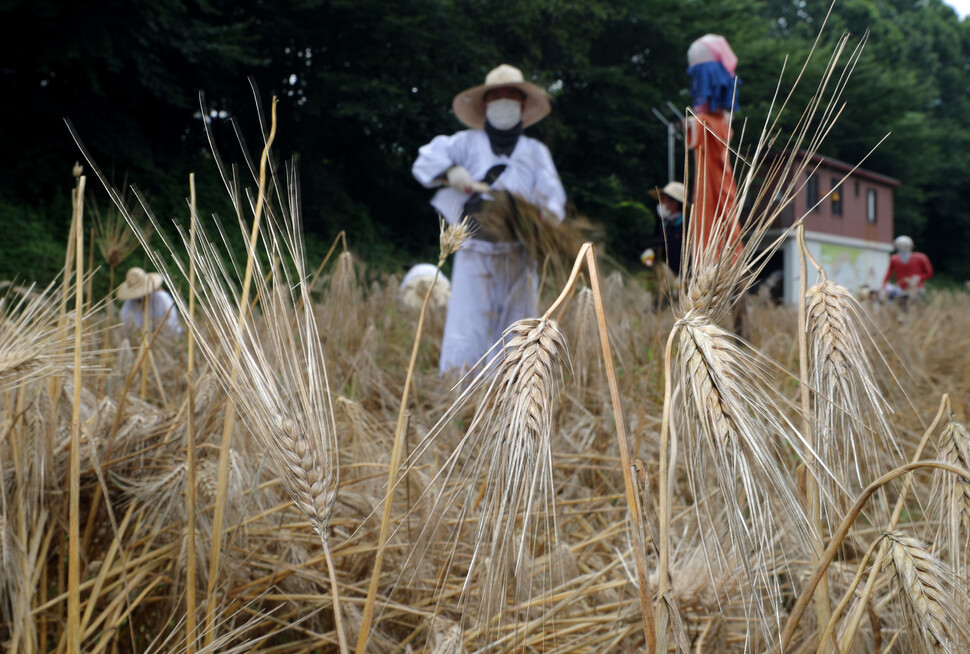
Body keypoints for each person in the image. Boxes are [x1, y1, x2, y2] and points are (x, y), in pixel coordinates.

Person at [412, 64, 566, 375]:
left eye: (511, 95)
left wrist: (537, 217)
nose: (504, 101)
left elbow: (555, 203)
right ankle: (459, 391)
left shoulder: (535, 152)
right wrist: (450, 172)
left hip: (519, 252)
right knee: (467, 323)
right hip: (474, 250)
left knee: (517, 325)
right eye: (497, 95)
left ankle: (510, 391)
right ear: (486, 103)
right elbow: (425, 159)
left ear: (522, 104)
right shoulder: (465, 143)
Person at [685, 34, 742, 260]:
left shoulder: (708, 122)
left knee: (714, 213)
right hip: (716, 183)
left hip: (712, 185)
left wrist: (691, 124)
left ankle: (716, 258)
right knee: (720, 212)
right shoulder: (720, 120)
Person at [116, 267, 183, 338]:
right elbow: (124, 324)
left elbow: (173, 323)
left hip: (166, 340)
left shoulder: (162, 298)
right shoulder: (129, 303)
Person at [644, 181, 687, 275]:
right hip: (669, 277)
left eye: (663, 200)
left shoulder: (687, 226)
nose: (660, 204)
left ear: (675, 202)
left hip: (686, 278)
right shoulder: (664, 225)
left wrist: (687, 276)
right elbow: (663, 247)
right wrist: (652, 252)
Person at [882, 235, 932, 301]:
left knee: (916, 306)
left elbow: (929, 272)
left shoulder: (921, 257)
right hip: (901, 290)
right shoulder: (894, 259)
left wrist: (919, 277)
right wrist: (884, 286)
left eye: (905, 245)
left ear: (910, 246)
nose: (903, 247)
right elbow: (889, 273)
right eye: (900, 245)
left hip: (917, 288)